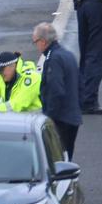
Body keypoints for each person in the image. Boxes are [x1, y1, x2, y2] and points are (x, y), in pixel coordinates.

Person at [32, 22, 81, 157]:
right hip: (72, 116)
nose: (36, 46)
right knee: (66, 157)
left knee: (55, 159)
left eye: (35, 42)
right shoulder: (67, 55)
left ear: (43, 41)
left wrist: (49, 118)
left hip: (60, 119)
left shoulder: (54, 59)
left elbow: (56, 90)